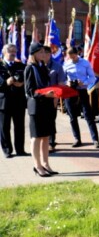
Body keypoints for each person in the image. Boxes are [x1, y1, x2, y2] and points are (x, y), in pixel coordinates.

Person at [24, 43, 58, 176]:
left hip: (47, 106)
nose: (44, 55)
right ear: (34, 54)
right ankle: (37, 166)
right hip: (36, 107)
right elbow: (29, 91)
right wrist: (45, 94)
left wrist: (54, 92)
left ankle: (46, 164)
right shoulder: (30, 68)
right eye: (41, 52)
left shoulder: (43, 67)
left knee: (46, 137)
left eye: (44, 52)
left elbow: (47, 85)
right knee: (36, 137)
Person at [63, 47, 99, 148]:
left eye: (73, 57)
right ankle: (77, 139)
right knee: (72, 117)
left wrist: (84, 82)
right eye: (70, 57)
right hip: (70, 91)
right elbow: (62, 78)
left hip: (82, 90)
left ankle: (95, 139)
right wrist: (68, 82)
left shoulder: (85, 63)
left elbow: (92, 77)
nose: (72, 59)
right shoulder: (66, 64)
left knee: (88, 115)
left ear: (77, 53)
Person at [0, 44, 27, 158]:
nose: (13, 53)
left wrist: (23, 83)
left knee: (20, 126)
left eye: (15, 51)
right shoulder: (0, 66)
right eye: (11, 51)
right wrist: (6, 82)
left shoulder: (20, 65)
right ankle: (7, 150)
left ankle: (20, 149)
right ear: (4, 52)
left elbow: (27, 79)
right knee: (4, 127)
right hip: (4, 102)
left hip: (19, 101)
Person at [43, 46, 66, 152]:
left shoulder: (57, 66)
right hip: (40, 98)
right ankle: (43, 142)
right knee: (41, 121)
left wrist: (56, 98)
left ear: (49, 54)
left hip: (52, 98)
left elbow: (60, 84)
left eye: (45, 53)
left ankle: (51, 143)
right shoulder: (37, 66)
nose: (43, 55)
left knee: (51, 121)